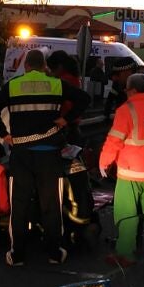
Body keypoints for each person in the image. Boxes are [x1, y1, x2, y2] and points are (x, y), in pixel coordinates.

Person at [0, 49, 89, 266]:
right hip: (49, 154)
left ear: (26, 67)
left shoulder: (12, 86)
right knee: (51, 204)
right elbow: (84, 99)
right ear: (43, 67)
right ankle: (54, 253)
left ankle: (17, 254)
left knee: (19, 205)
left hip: (21, 154)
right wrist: (65, 119)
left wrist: (5, 134)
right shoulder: (56, 84)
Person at [99, 73, 144, 268]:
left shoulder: (126, 110)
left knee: (127, 214)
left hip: (130, 172)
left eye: (127, 89)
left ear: (133, 90)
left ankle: (126, 254)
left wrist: (104, 161)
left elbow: (114, 140)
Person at [46, 50, 94, 235]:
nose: (50, 72)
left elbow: (64, 106)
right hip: (74, 129)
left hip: (67, 130)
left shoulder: (64, 81)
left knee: (68, 171)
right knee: (76, 172)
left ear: (59, 67)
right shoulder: (73, 77)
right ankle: (79, 202)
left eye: (51, 69)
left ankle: (70, 205)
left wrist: (62, 119)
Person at [102, 55, 138, 120]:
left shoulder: (139, 85)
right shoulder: (117, 85)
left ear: (127, 73)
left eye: (117, 75)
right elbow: (110, 98)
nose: (114, 79)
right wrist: (106, 113)